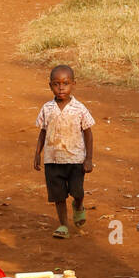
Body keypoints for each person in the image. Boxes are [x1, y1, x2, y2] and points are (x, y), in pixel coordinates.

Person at [33, 65, 95, 239]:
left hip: (75, 160)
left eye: (65, 83)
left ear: (73, 84)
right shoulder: (47, 108)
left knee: (78, 191)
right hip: (52, 160)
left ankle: (79, 205)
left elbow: (88, 134)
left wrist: (88, 159)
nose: (61, 88)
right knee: (58, 196)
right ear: (50, 85)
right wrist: (37, 153)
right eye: (56, 84)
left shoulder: (80, 109)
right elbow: (43, 132)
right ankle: (63, 225)